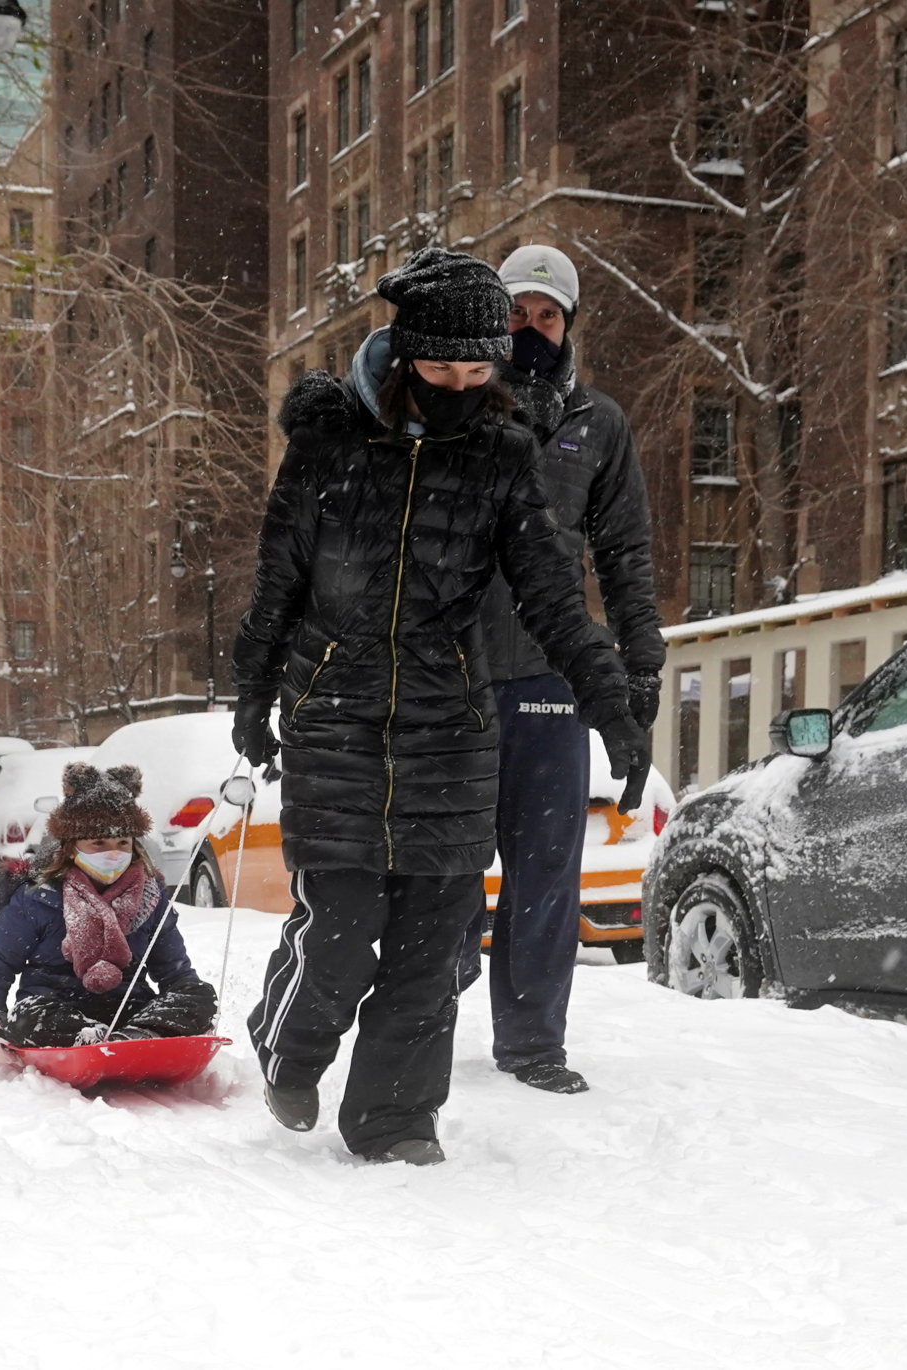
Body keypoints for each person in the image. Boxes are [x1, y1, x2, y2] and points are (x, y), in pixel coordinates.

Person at [230, 246, 653, 1166]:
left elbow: (549, 591)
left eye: (478, 371)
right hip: (336, 709)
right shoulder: (330, 438)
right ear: (407, 349)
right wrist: (254, 693)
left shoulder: (501, 455)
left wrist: (613, 703)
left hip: (451, 723)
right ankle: (293, 1045)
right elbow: (278, 577)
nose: (463, 387)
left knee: (429, 943)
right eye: (443, 369)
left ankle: (392, 1117)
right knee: (340, 936)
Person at [457, 244, 664, 1096]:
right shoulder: (457, 408)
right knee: (445, 861)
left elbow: (626, 561)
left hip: (549, 679)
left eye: (547, 315)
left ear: (568, 324)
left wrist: (638, 677)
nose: (530, 328)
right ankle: (427, 1004)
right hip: (455, 675)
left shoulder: (599, 426)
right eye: (516, 313)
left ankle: (533, 1042)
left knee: (546, 865)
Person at [0, 762, 216, 1061]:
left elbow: (175, 972)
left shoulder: (150, 899)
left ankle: (134, 1039)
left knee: (201, 996)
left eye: (122, 842)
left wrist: (191, 1009)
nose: (113, 852)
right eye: (98, 842)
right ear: (72, 846)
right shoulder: (37, 897)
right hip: (56, 1010)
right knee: (26, 1018)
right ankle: (88, 1040)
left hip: (129, 1012)